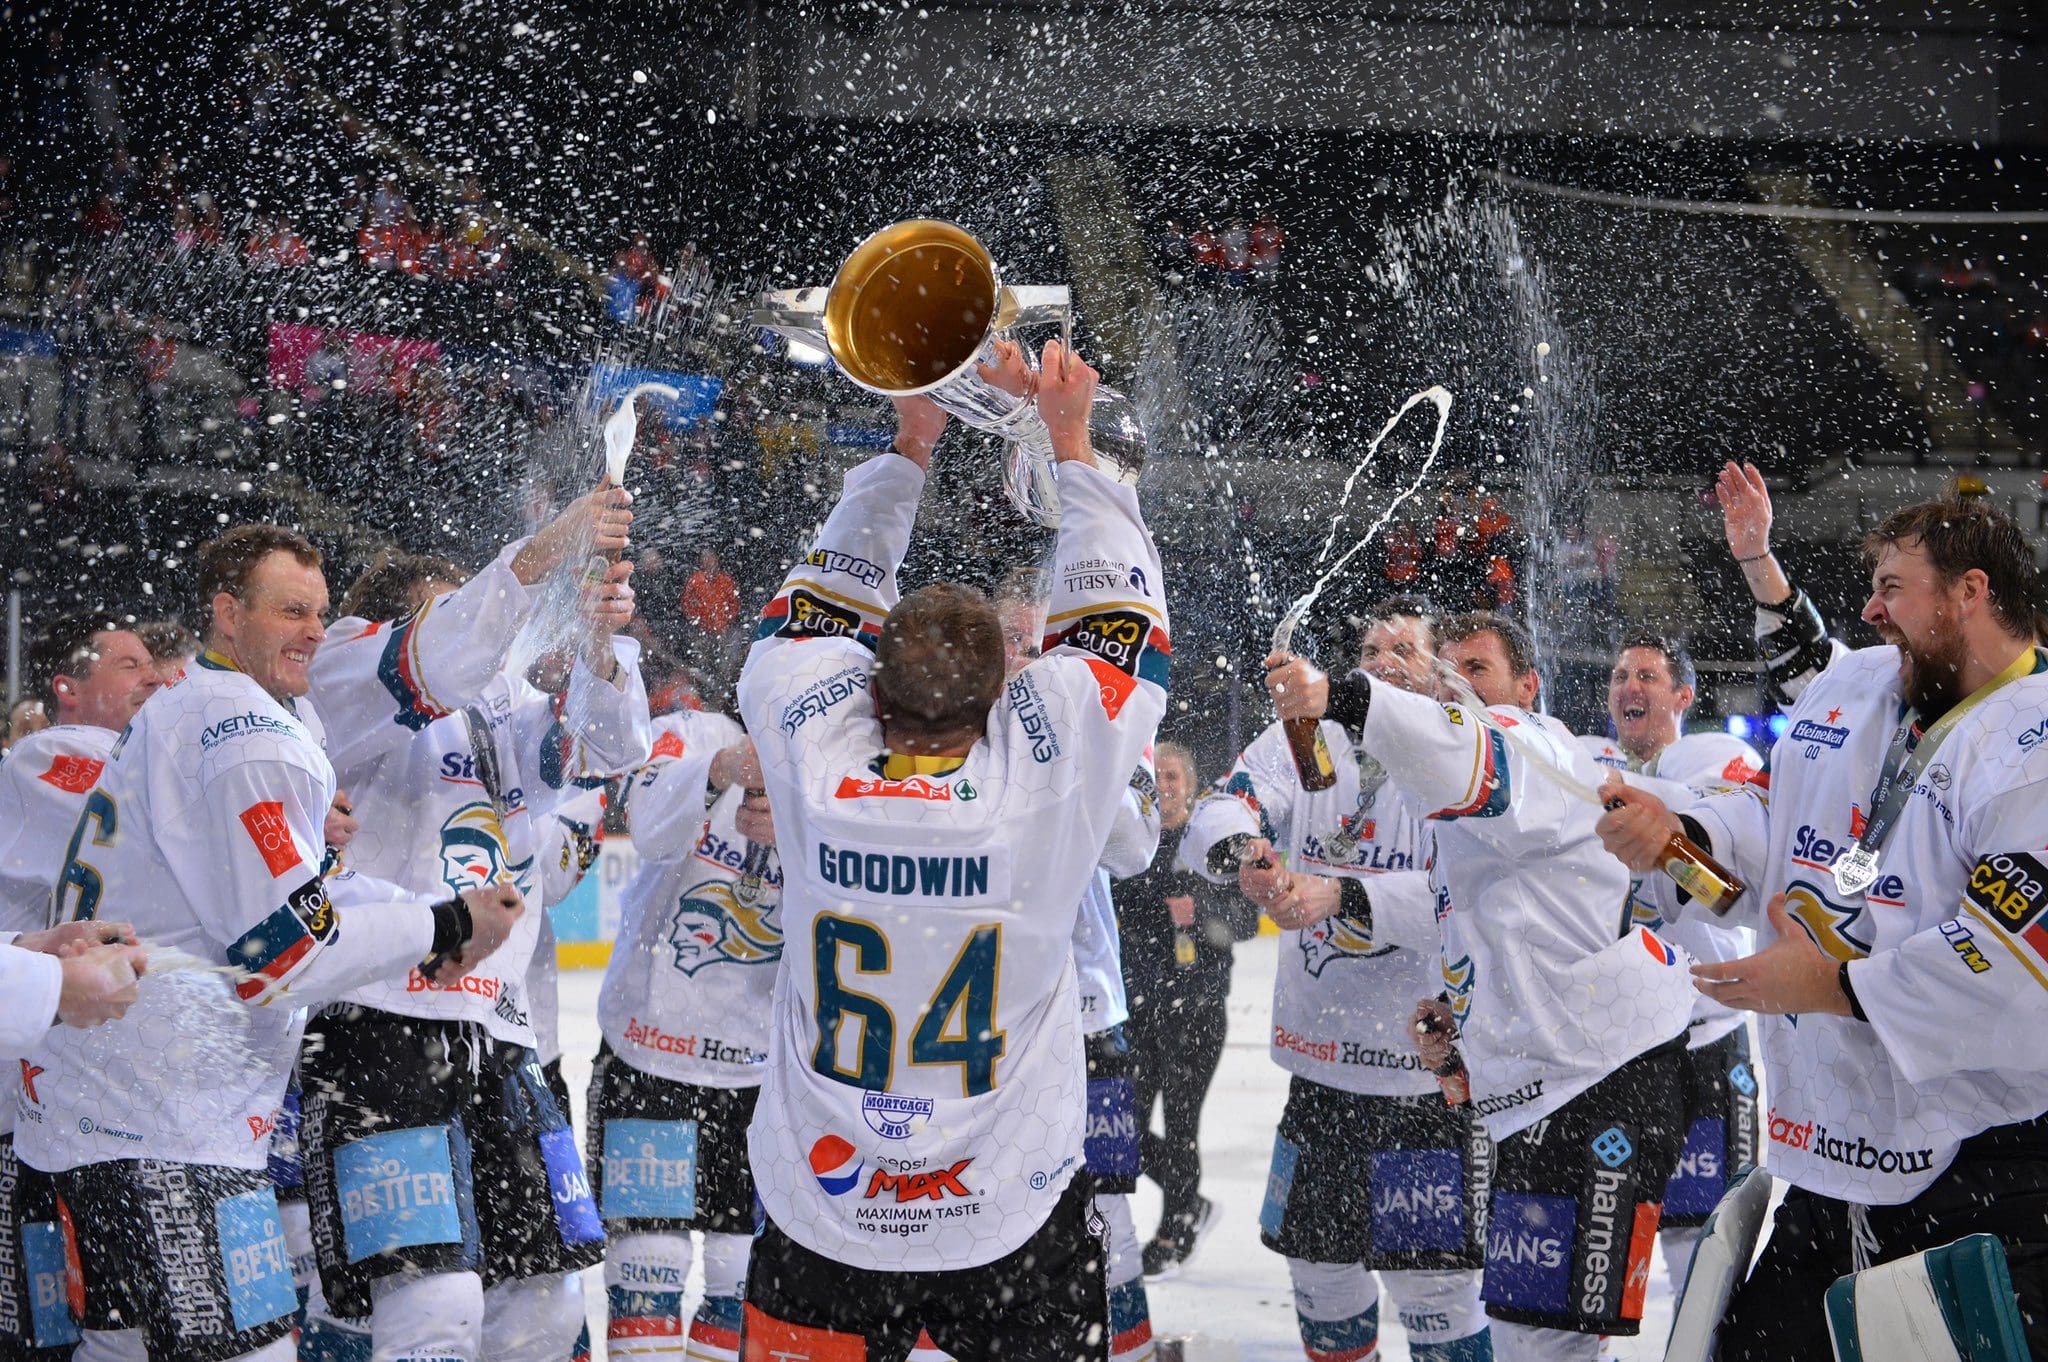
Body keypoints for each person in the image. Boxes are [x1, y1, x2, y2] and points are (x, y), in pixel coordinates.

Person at [736, 337, 1168, 1359]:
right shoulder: (1044, 781)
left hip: (821, 1201)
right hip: (1006, 1207)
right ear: (1003, 699)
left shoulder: (809, 755)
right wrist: (1069, 439)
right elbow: (1117, 612)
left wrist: (910, 442)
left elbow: (820, 606)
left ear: (869, 695)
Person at [22, 524, 525, 1362]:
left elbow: (286, 897)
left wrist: (432, 911)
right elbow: (284, 961)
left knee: (119, 1351)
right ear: (227, 613)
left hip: (88, 1114)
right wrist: (445, 925)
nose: (313, 632)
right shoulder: (244, 730)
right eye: (291, 610)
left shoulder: (190, 706)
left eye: (320, 613)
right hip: (166, 1126)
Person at [1597, 497, 2048, 1358]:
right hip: (1834, 1152)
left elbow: (2015, 967)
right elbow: (1777, 817)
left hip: (1982, 1171)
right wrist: (1681, 841)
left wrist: (1838, 988)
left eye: (1892, 588)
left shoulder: (2035, 743)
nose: (1871, 609)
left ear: (1970, 593)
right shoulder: (1865, 684)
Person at [1266, 612, 1697, 1362]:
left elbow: (1465, 748)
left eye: (1478, 668)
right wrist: (1458, 1025)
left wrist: (1341, 694)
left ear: (1527, 687)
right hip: (1546, 1085)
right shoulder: (1462, 802)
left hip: (1599, 1084)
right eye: (1448, 669)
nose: (1453, 683)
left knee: (1546, 1344)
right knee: (1530, 1338)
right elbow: (1507, 934)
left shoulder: (1525, 745)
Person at [296, 491, 650, 1362]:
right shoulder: (344, 670)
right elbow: (448, 652)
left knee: (543, 1306)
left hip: (499, 1036)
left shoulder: (496, 702)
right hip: (380, 1027)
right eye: (459, 608)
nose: (495, 637)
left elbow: (606, 749)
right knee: (435, 1310)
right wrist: (544, 551)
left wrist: (599, 641)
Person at [1184, 598, 1493, 1362]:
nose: (1384, 659)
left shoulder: (1462, 752)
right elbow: (1218, 809)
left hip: (1426, 1088)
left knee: (1436, 1296)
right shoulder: (1307, 739)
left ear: (1438, 669)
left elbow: (1469, 900)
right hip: (1321, 1077)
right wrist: (1248, 857)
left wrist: (1341, 894)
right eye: (1370, 647)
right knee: (1320, 1281)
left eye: (1405, 649)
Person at [994, 564, 1164, 1362]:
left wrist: (1070, 738)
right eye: (1012, 644)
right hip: (987, 1033)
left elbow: (1133, 850)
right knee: (985, 1218)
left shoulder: (1110, 722)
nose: (1026, 659)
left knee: (1110, 1217)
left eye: (1042, 644)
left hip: (1089, 1017)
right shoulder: (955, 726)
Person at [588, 699, 779, 1362]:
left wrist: (803, 834)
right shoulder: (696, 732)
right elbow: (648, 827)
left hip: (762, 1071)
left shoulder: (844, 772)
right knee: (647, 1269)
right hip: (651, 1055)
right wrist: (719, 770)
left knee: (739, 1274)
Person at [1579, 634, 1763, 1298]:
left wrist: (1620, 799)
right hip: (1611, 1052)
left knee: (1702, 1258)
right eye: (1621, 674)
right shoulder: (1585, 761)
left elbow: (1723, 885)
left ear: (1683, 696)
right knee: (1600, 1255)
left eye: (1649, 676)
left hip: (1705, 1046)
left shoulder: (1718, 757)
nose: (1630, 685)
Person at [0, 616, 161, 1361]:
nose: (152, 677)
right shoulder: (49, 755)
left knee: (84, 1327)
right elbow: (140, 816)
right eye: (129, 665)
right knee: (44, 1330)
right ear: (68, 688)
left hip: (54, 1094)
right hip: (21, 1098)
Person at [1116, 741, 1248, 1280]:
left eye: (1175, 776)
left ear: (1191, 787)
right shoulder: (1131, 840)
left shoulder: (1209, 844)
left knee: (1182, 1122)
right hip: (1138, 1007)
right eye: (1159, 775)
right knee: (1124, 1126)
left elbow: (1242, 920)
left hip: (1195, 1008)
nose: (1166, 785)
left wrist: (1203, 912)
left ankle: (1176, 1229)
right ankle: (1189, 1200)